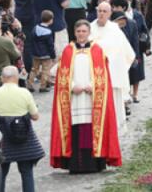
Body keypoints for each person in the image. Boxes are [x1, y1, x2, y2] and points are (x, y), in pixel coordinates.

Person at [49, 20, 122, 173]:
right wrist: (71, 85)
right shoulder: (68, 51)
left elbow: (103, 75)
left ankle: (94, 164)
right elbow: (62, 74)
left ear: (89, 33)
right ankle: (76, 165)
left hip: (92, 98)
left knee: (91, 129)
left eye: (84, 31)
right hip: (73, 98)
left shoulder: (97, 50)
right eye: (78, 31)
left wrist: (93, 85)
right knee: (76, 129)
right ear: (74, 33)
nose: (81, 34)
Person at [0, 66, 44, 192]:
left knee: (1, 173)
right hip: (23, 138)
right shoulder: (25, 93)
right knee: (27, 172)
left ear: (2, 78)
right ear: (16, 77)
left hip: (1, 138)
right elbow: (35, 116)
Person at [90, 1, 136, 126]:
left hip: (113, 70)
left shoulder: (115, 29)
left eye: (105, 11)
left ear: (110, 13)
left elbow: (125, 51)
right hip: (95, 71)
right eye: (99, 11)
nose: (101, 14)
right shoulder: (89, 28)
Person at [28, 10, 57, 92]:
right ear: (51, 20)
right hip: (46, 55)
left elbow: (31, 40)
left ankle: (30, 84)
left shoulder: (35, 28)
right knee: (45, 70)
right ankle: (43, 86)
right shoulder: (49, 32)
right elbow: (50, 45)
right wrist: (53, 55)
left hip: (35, 54)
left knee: (34, 69)